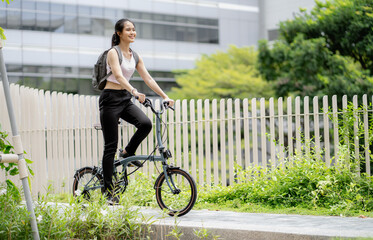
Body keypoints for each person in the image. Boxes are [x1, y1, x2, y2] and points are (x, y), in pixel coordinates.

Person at [99, 18, 174, 202]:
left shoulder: (135, 55)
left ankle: (127, 153)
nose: (132, 32)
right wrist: (133, 91)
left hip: (124, 99)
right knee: (110, 147)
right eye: (128, 30)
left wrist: (165, 96)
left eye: (134, 29)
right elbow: (117, 75)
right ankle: (109, 193)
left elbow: (148, 78)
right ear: (119, 33)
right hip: (110, 99)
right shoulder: (113, 53)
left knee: (145, 123)